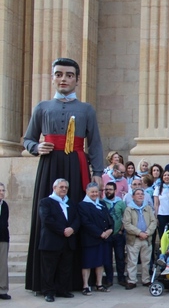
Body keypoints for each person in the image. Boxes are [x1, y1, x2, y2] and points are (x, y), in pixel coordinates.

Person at [24, 58, 104, 293]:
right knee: (45, 217)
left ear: (77, 80)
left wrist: (97, 173)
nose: (63, 79)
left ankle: (73, 282)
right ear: (52, 77)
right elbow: (28, 138)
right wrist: (36, 148)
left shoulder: (86, 109)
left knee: (74, 218)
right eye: (59, 74)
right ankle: (43, 281)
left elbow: (96, 144)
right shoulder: (41, 107)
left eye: (69, 75)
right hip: (49, 166)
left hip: (75, 164)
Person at [37, 179, 80, 302]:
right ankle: (48, 292)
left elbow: (77, 218)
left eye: (66, 187)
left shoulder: (70, 203)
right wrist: (63, 230)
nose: (64, 189)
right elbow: (47, 220)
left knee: (65, 268)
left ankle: (62, 290)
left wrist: (72, 228)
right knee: (49, 270)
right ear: (54, 187)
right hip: (51, 242)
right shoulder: (45, 202)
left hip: (68, 242)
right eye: (61, 187)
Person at [78, 182, 113, 295]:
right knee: (87, 263)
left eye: (96, 191)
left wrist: (110, 230)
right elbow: (86, 223)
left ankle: (99, 284)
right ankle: (85, 285)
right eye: (92, 192)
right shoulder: (82, 205)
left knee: (100, 262)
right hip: (90, 239)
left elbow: (109, 218)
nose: (94, 194)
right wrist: (100, 233)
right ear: (87, 192)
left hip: (103, 239)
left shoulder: (102, 204)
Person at [123, 188, 157, 290]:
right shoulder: (129, 209)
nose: (140, 196)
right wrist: (139, 233)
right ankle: (131, 281)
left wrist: (147, 233)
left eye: (142, 194)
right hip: (134, 239)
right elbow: (127, 224)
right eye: (137, 194)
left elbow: (153, 221)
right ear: (133, 196)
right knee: (132, 261)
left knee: (146, 261)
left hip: (146, 238)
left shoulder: (148, 208)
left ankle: (146, 280)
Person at [101, 182, 127, 288]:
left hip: (118, 234)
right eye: (106, 189)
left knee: (120, 257)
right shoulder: (102, 203)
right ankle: (109, 279)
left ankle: (121, 278)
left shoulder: (120, 203)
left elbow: (125, 217)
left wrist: (121, 230)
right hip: (107, 235)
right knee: (107, 258)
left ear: (115, 191)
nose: (108, 191)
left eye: (110, 189)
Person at [154, 170, 169, 239]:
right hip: (161, 215)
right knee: (162, 235)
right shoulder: (158, 188)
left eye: (168, 175)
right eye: (165, 175)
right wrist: (156, 217)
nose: (166, 177)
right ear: (162, 177)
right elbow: (156, 204)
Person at [0, 183, 10, 300]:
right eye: (0, 190)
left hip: (2, 238)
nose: (1, 192)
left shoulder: (5, 205)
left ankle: (2, 289)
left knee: (2, 264)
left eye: (3, 190)